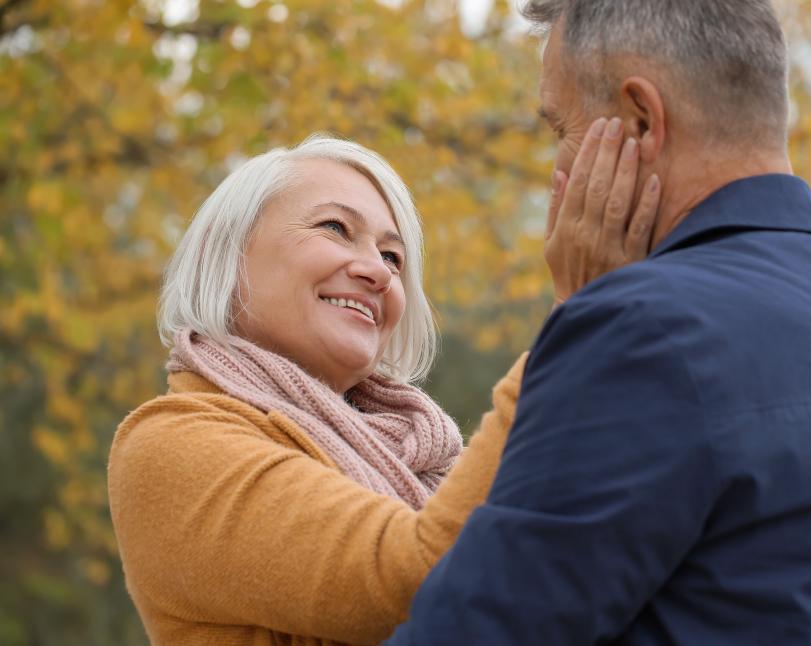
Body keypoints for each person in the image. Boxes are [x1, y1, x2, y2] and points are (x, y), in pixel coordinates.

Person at [388, 1, 811, 644]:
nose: (557, 170)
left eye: (560, 129)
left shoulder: (641, 332)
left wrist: (582, 314)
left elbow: (479, 629)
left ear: (641, 122)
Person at [107, 131, 660, 645]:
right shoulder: (169, 444)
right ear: (224, 257)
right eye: (334, 228)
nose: (378, 272)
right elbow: (427, 581)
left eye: (393, 257)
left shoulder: (424, 454)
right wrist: (577, 319)